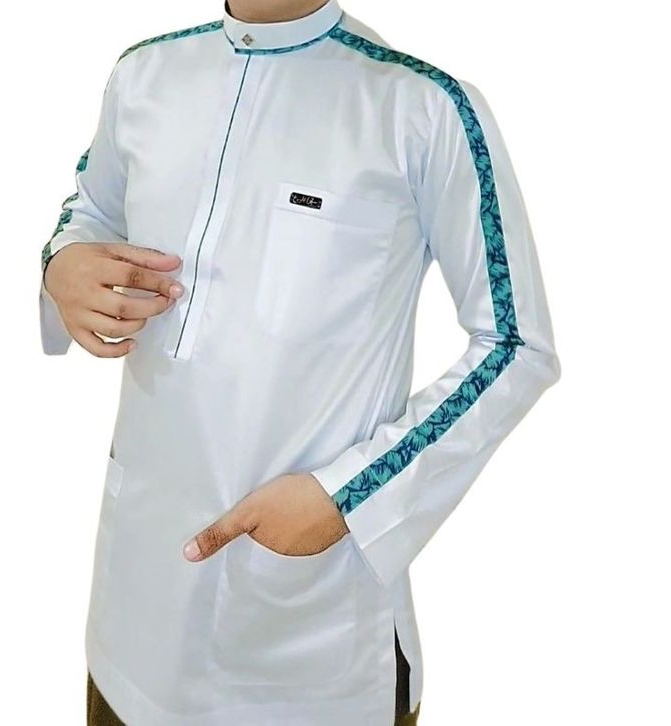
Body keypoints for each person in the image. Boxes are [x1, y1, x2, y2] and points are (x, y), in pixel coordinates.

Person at [39, 0, 562, 723]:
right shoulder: (144, 75)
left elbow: (515, 344)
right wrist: (61, 265)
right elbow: (92, 211)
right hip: (129, 628)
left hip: (307, 650)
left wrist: (350, 496)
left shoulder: (422, 109)